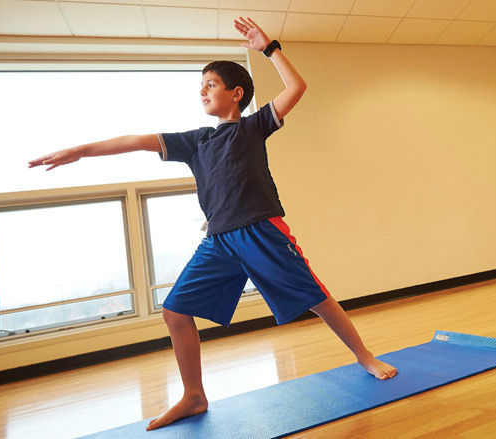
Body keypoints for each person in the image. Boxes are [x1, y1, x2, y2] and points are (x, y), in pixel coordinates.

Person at [29, 16, 397, 431]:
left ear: (236, 93)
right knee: (174, 311)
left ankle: (365, 356)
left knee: (316, 297)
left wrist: (269, 48)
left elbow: (296, 89)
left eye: (211, 84)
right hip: (219, 241)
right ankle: (193, 396)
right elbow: (134, 140)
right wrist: (79, 150)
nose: (202, 91)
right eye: (200, 86)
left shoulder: (255, 126)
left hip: (261, 230)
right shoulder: (196, 140)